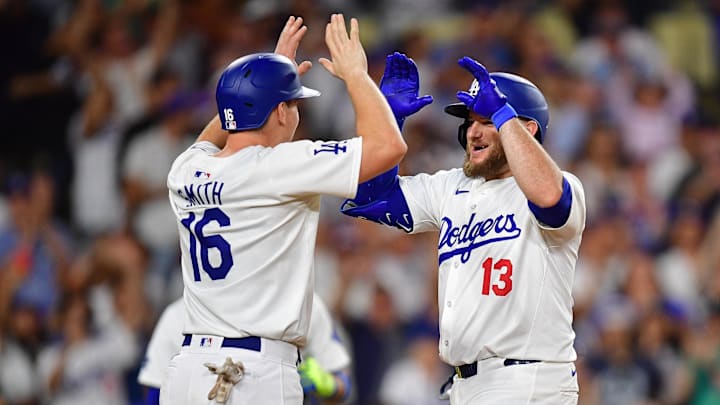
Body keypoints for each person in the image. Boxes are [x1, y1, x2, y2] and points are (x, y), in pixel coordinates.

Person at [161, 14, 405, 405]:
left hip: (187, 371)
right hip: (254, 375)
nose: (297, 112)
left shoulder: (185, 170)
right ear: (279, 113)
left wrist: (259, 83)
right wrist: (357, 74)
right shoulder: (280, 165)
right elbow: (389, 147)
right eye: (293, 102)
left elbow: (218, 132)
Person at [341, 52, 586, 404]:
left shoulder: (562, 186)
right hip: (464, 382)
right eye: (470, 121)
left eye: (486, 120)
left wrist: (503, 116)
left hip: (527, 378)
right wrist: (386, 121)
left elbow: (549, 197)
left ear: (527, 129)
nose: (472, 131)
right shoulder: (451, 187)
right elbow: (371, 196)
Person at [138, 294, 352, 405]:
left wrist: (326, 383)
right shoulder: (179, 314)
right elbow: (154, 394)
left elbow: (345, 386)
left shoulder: (306, 305)